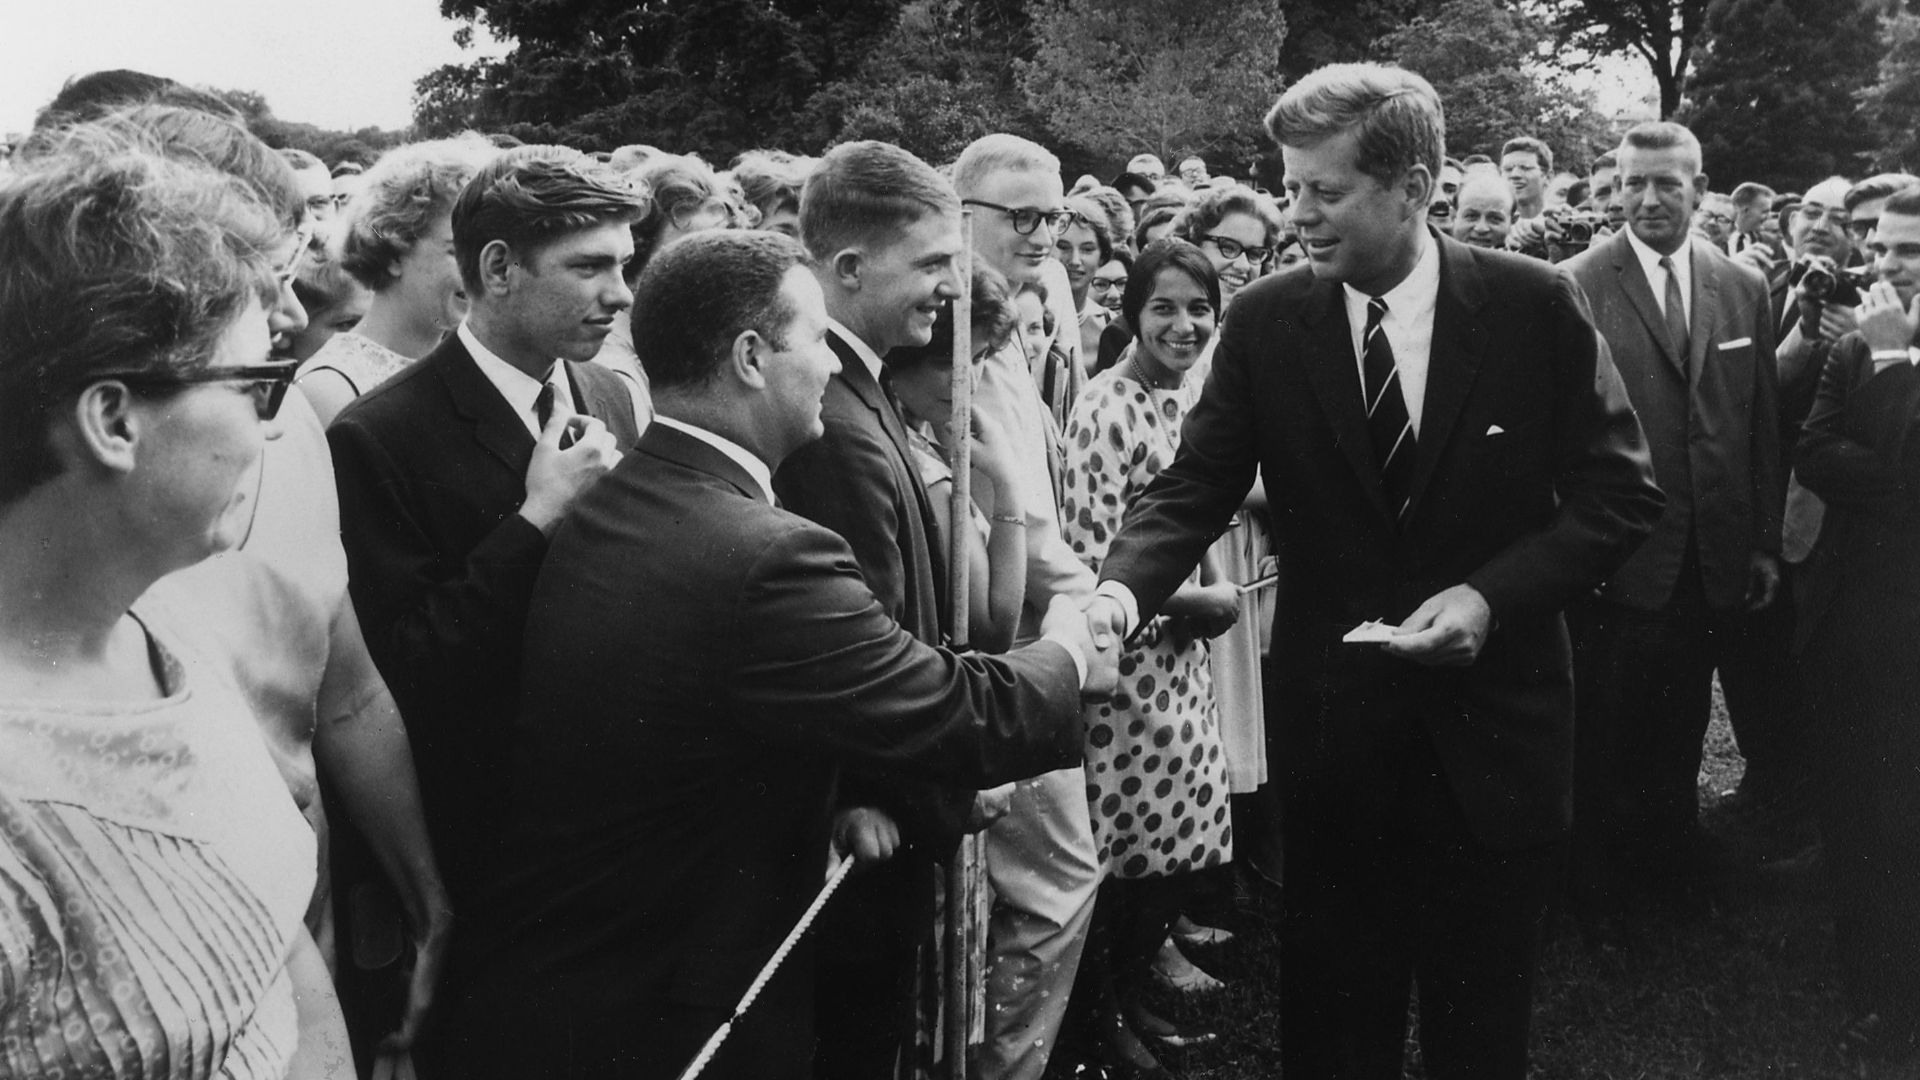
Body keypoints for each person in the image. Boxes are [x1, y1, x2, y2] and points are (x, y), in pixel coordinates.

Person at [1084, 64, 1662, 1079]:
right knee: (1334, 1029)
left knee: (1479, 1032)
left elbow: (1620, 496)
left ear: (1415, 187)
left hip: (1497, 736)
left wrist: (1492, 596)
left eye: (1324, 191)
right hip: (1338, 741)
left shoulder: (1535, 307)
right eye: (1288, 187)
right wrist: (1117, 593)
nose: (1293, 215)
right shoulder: (1268, 321)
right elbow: (1195, 483)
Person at [426, 230, 1115, 1080]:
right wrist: (1072, 650)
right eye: (819, 339)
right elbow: (952, 712)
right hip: (669, 1010)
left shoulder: (621, 495)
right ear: (752, 357)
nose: (833, 366)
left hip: (568, 980)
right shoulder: (768, 554)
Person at [0, 130, 349, 1080]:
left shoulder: (161, 631)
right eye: (256, 386)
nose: (271, 432)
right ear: (113, 420)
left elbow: (271, 953)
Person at [327, 147, 645, 1015]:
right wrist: (537, 519)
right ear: (498, 269)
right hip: (487, 870)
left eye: (624, 265)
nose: (619, 294)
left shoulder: (609, 397)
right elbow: (401, 673)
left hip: (610, 849)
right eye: (590, 268)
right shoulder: (378, 436)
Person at [768, 138, 968, 1079]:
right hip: (865, 827)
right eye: (930, 265)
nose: (947, 290)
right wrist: (873, 794)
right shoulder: (835, 425)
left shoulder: (866, 390)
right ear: (848, 268)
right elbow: (854, 645)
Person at [1561, 121, 1781, 915]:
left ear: (1700, 187)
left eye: (1666, 183)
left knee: (1681, 717)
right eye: (1632, 183)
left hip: (1711, 554)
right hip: (1618, 556)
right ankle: (1598, 887)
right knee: (1608, 727)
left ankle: (1669, 865)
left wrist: (1759, 543)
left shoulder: (1742, 285)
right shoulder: (1575, 283)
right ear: (1612, 187)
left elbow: (1757, 422)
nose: (1648, 198)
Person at [1057, 240, 1240, 1077]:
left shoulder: (1187, 399)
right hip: (1123, 677)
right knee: (1127, 869)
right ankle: (1101, 1028)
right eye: (1163, 306)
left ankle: (1126, 1001)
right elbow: (1095, 562)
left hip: (1179, 671)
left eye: (1199, 307)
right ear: (1131, 312)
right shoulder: (1106, 407)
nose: (1183, 324)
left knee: (1174, 854)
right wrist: (1194, 604)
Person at [952, 131, 1108, 1080]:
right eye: (1022, 215)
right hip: (999, 643)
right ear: (958, 211)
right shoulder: (953, 337)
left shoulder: (1016, 318)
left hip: (1035, 625)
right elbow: (1004, 518)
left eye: (1054, 214)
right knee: (1053, 888)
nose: (1046, 233)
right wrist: (1091, 602)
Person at [1794, 181, 1920, 1075]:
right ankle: (1873, 984)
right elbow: (1815, 452)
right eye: (1877, 247)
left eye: (1906, 249)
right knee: (1861, 806)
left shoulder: (1876, 347)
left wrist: (1896, 370)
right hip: (1857, 612)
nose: (1883, 265)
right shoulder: (1855, 344)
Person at [296, 134, 498, 426]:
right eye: (460, 251)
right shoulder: (329, 390)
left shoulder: (474, 368)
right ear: (393, 253)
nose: (483, 273)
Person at [1452, 167, 1515, 249]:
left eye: (1495, 219)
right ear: (1453, 216)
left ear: (1512, 222)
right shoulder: (1434, 258)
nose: (1481, 228)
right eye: (1471, 216)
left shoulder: (1527, 260)